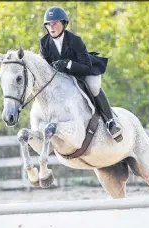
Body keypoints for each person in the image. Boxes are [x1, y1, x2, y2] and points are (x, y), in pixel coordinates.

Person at [39, 6, 123, 142]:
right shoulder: (44, 42)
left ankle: (111, 122)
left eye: (55, 23)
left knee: (94, 87)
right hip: (62, 77)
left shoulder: (75, 40)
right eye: (48, 24)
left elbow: (86, 67)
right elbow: (45, 66)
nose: (51, 27)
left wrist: (67, 64)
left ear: (64, 24)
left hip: (84, 70)